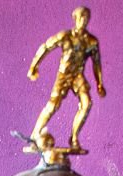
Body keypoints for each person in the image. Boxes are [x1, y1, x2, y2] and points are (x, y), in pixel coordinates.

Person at [28, 6, 105, 150]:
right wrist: (34, 66)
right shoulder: (65, 36)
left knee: (86, 103)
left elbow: (96, 63)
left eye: (86, 18)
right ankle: (34, 135)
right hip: (64, 75)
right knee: (52, 106)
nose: (84, 21)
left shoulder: (91, 41)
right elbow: (46, 47)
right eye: (81, 17)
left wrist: (99, 83)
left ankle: (74, 138)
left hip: (77, 76)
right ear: (75, 19)